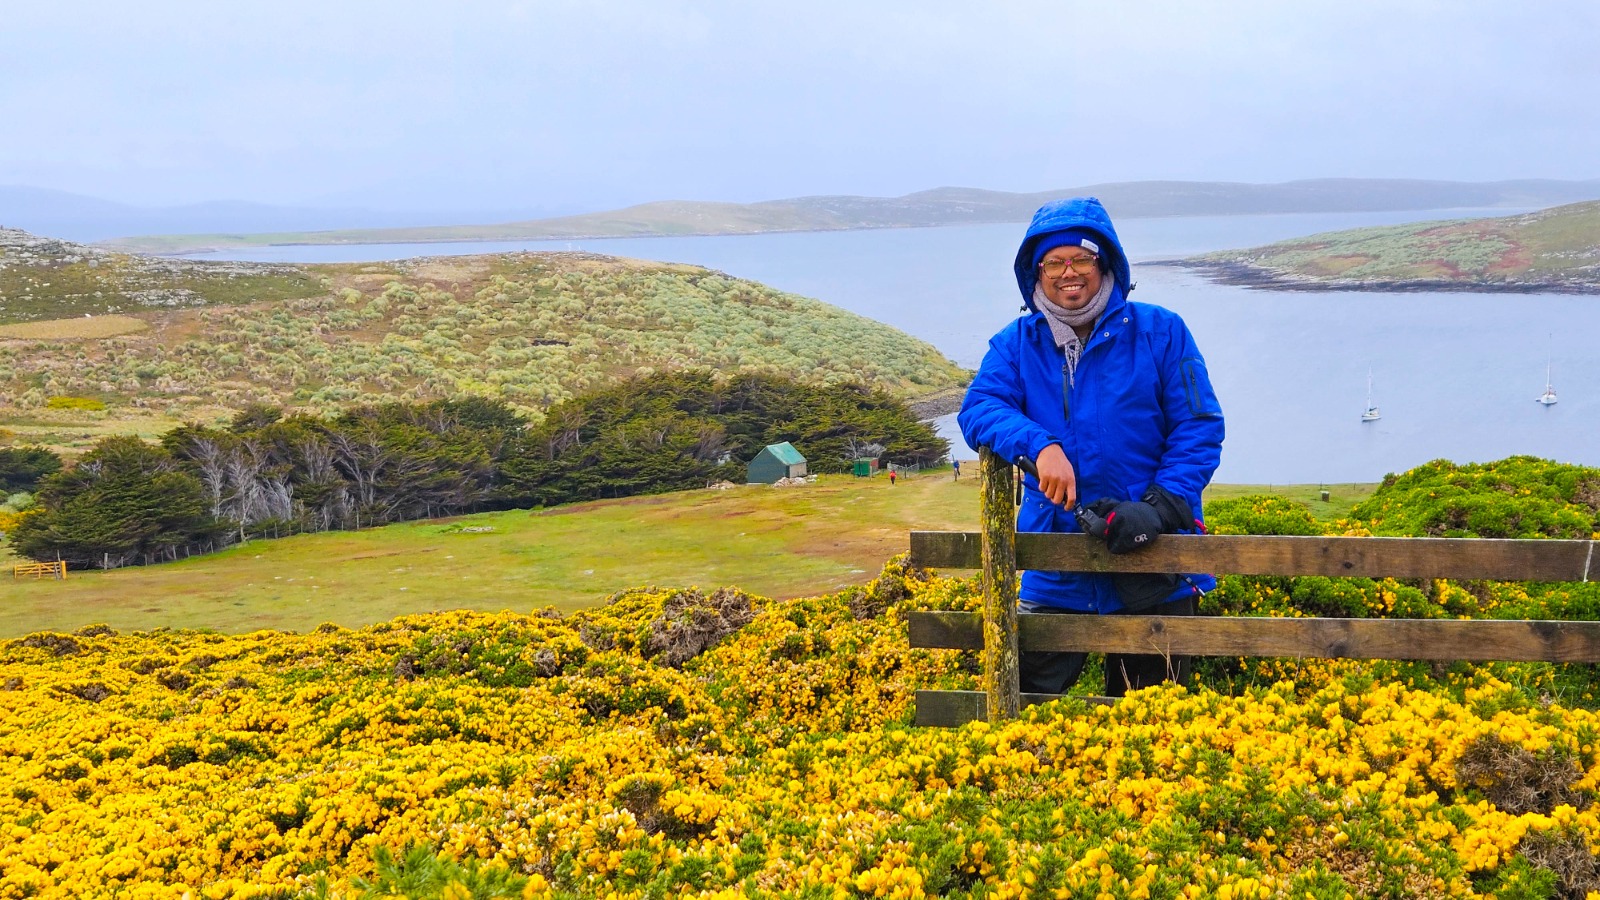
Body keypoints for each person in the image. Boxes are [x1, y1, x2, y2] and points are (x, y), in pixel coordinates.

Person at [957, 197, 1224, 698]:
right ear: (1035, 272)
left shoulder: (1162, 332)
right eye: (1053, 262)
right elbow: (979, 409)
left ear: (1106, 264)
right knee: (1030, 711)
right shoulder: (1015, 344)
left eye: (1081, 258)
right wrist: (1040, 445)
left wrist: (1160, 508)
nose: (1068, 272)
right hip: (1055, 562)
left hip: (1156, 557)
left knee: (1153, 724)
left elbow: (1199, 426)